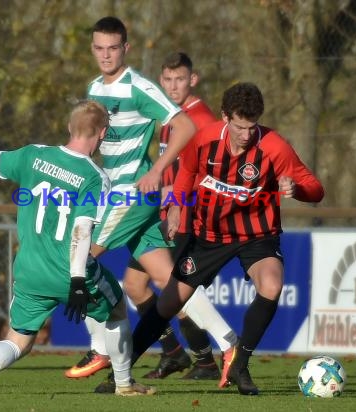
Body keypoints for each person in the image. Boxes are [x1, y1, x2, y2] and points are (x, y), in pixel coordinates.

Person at [0, 100, 155, 396]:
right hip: (69, 270)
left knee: (18, 340)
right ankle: (124, 384)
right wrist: (79, 280)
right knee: (117, 309)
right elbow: (82, 229)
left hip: (29, 269)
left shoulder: (33, 155)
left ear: (70, 127)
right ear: (103, 132)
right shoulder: (95, 177)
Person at [65, 17, 238, 385]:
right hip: (115, 191)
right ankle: (228, 343)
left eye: (113, 48)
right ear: (93, 49)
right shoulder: (95, 87)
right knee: (165, 278)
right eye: (99, 48)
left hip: (132, 193)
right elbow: (98, 140)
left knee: (80, 258)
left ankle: (101, 348)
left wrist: (157, 170)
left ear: (125, 49)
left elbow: (186, 126)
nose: (106, 55)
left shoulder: (140, 87)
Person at [129, 82, 325, 395]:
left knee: (272, 284)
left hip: (257, 234)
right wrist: (176, 208)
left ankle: (241, 366)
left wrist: (296, 189)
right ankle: (122, 372)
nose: (246, 134)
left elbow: (316, 189)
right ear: (224, 117)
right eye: (239, 126)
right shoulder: (203, 140)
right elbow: (187, 173)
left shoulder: (275, 146)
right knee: (169, 302)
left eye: (252, 126)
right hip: (209, 235)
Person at [123, 52, 222, 380]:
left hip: (186, 216)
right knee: (136, 286)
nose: (173, 85)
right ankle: (174, 354)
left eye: (180, 79)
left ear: (193, 79)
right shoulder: (170, 118)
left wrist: (179, 202)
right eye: (167, 80)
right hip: (164, 215)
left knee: (172, 290)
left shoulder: (202, 120)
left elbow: (211, 173)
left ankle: (207, 361)